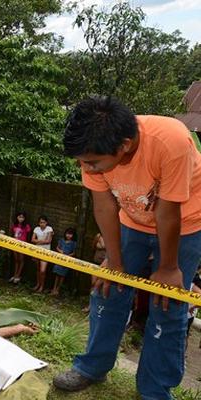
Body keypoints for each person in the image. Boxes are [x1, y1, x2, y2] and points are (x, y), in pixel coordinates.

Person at [53, 96, 201, 400]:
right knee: (107, 288)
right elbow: (104, 206)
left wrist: (169, 268)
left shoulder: (170, 140)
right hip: (132, 220)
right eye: (82, 161)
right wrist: (114, 261)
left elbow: (168, 212)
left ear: (123, 144)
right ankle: (92, 367)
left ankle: (154, 389)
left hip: (186, 223)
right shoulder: (93, 149)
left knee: (167, 304)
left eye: (91, 162)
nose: (86, 168)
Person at [51, 228, 77, 296]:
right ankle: (54, 288)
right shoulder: (61, 240)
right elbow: (57, 247)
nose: (68, 235)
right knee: (57, 274)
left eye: (70, 234)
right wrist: (60, 251)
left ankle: (58, 290)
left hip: (67, 261)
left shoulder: (74, 243)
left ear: (73, 235)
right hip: (59, 259)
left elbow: (74, 253)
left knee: (62, 275)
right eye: (67, 234)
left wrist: (68, 256)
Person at [31, 215, 53, 293]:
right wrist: (42, 241)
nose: (42, 224)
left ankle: (42, 286)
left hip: (46, 251)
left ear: (46, 222)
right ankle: (38, 284)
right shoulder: (36, 229)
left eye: (43, 222)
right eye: (40, 222)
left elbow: (49, 241)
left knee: (43, 270)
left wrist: (38, 241)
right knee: (37, 269)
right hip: (37, 251)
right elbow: (32, 240)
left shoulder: (49, 229)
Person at [9, 212, 31, 284]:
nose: (21, 219)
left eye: (22, 217)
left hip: (22, 245)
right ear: (17, 217)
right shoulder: (14, 225)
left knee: (21, 260)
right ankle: (15, 274)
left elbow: (28, 236)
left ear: (24, 218)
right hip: (15, 244)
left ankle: (18, 275)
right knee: (16, 260)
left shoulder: (26, 226)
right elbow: (12, 235)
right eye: (19, 217)